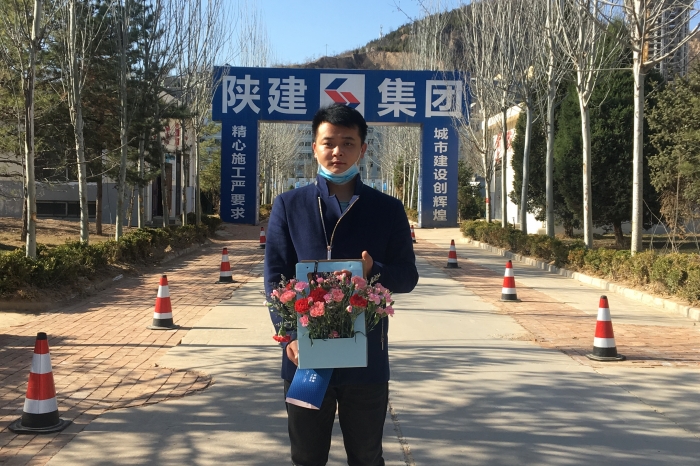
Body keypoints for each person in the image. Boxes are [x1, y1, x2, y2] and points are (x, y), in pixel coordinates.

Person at [264, 103, 419, 466]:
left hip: (366, 359)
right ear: (315, 147)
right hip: (305, 358)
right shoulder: (290, 206)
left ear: (362, 149)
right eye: (329, 142)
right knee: (306, 456)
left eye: (348, 143)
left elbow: (407, 276)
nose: (337, 151)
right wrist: (289, 336)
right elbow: (275, 278)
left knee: (366, 456)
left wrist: (373, 270)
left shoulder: (387, 209)